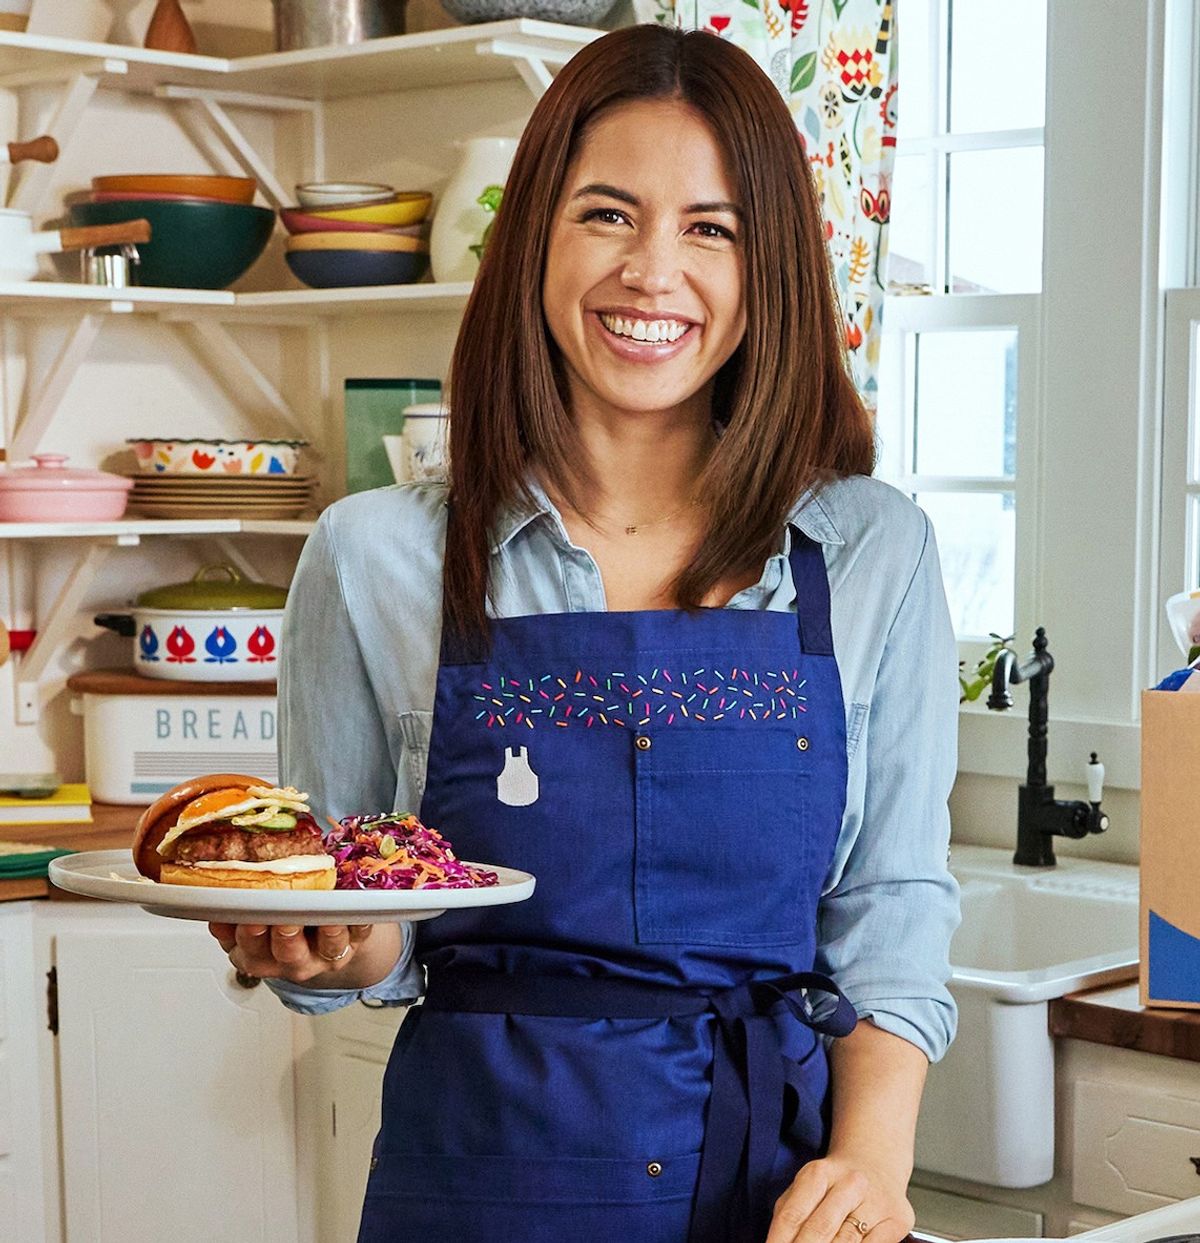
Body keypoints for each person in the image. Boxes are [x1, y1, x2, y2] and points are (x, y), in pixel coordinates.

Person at [208, 22, 960, 1243]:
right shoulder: (372, 556)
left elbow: (895, 906)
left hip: (768, 1194)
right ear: (534, 241)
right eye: (608, 214)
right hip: (475, 1191)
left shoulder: (873, 552)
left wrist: (874, 1161)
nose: (653, 272)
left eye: (709, 228)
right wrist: (316, 948)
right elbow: (358, 922)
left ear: (766, 265)